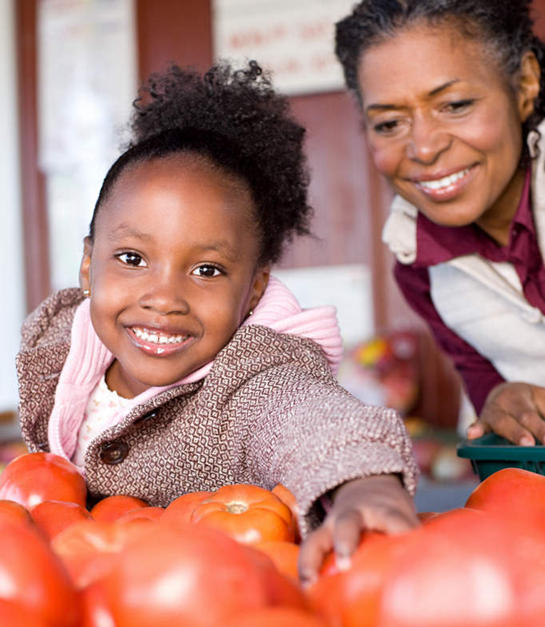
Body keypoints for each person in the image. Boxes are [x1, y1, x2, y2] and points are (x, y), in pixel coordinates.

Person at [16, 61, 418, 584]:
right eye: (133, 258)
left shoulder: (254, 382)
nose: (163, 298)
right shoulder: (61, 348)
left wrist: (363, 484)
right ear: (89, 264)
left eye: (206, 270)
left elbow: (311, 420)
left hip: (211, 604)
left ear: (252, 291)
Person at [335, 0, 545, 447]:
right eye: (389, 123)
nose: (424, 148)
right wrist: (501, 400)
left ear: (525, 84)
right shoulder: (419, 265)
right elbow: (486, 391)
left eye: (454, 104)